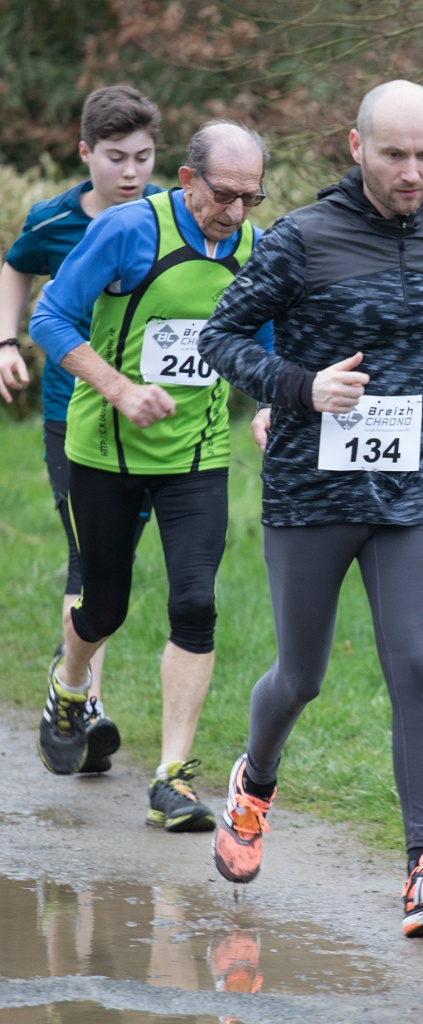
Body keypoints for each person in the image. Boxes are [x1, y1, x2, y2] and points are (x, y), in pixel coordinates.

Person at [197, 79, 423, 934]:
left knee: (416, 664)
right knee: (303, 676)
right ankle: (254, 782)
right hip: (310, 493)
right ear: (357, 147)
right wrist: (300, 387)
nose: (412, 172)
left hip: (409, 493)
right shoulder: (302, 238)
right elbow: (220, 336)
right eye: (394, 154)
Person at [29, 119, 273, 831]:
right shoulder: (129, 230)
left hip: (197, 458)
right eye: (223, 195)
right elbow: (51, 317)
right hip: (106, 452)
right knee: (104, 606)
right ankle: (70, 683)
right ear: (188, 179)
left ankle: (172, 778)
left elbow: (268, 343)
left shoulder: (254, 248)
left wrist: (272, 405)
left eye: (250, 198)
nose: (234, 212)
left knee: (195, 603)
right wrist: (119, 388)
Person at [0, 85, 163, 773]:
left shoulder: (167, 218)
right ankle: (84, 705)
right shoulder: (55, 219)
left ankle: (69, 673)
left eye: (143, 157)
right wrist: (6, 342)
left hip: (150, 423)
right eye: (115, 157)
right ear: (85, 153)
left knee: (113, 564)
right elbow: (15, 266)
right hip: (74, 416)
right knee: (88, 558)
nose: (131, 172)